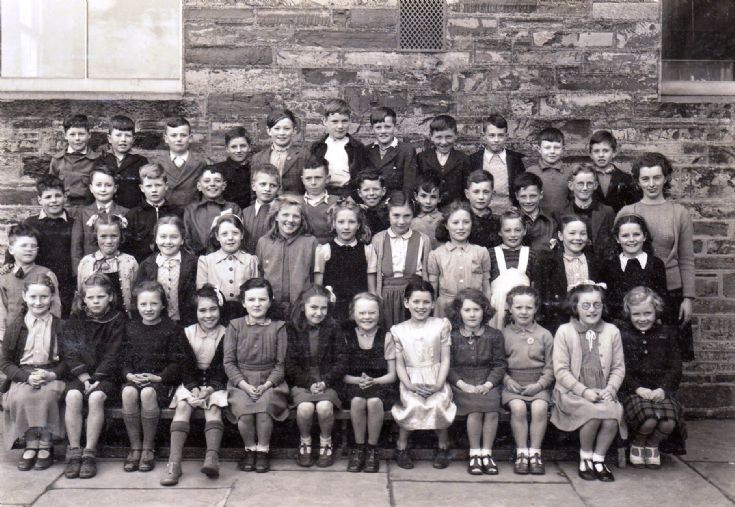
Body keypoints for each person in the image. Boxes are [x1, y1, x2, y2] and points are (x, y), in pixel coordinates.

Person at [617, 152, 695, 361]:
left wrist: (688, 298)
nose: (651, 184)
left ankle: (666, 394)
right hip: (635, 292)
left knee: (669, 354)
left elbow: (686, 259)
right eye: (645, 178)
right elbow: (617, 256)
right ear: (638, 181)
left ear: (665, 178)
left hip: (670, 292)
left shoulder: (679, 213)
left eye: (656, 177)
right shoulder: (627, 211)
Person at [551, 282, 626, 482]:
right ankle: (585, 457)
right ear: (575, 307)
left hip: (603, 390)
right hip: (572, 392)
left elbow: (618, 367)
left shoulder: (612, 331)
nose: (592, 310)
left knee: (612, 416)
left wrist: (611, 389)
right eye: (585, 305)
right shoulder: (564, 331)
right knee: (591, 415)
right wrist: (584, 391)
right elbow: (560, 370)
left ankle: (599, 458)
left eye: (597, 305)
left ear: (603, 306)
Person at [160, 285, 229, 486]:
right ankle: (174, 463)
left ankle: (212, 457)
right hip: (191, 381)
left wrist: (210, 388)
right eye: (203, 310)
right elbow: (184, 363)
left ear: (220, 310)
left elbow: (222, 365)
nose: (209, 315)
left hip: (216, 382)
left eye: (213, 309)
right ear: (195, 312)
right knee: (183, 406)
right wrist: (194, 387)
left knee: (214, 407)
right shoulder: (187, 332)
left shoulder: (227, 333)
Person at [60, 273, 125, 479]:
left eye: (101, 297)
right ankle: (74, 450)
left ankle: (89, 452)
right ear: (83, 299)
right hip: (81, 375)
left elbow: (114, 352)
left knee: (96, 397)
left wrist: (97, 378)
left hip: (106, 376)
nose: (96, 302)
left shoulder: (117, 319)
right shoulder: (75, 320)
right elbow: (70, 352)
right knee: (73, 396)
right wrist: (85, 378)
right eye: (91, 298)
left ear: (111, 297)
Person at [120, 281, 188, 474]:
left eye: (154, 304)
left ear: (163, 305)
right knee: (128, 393)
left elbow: (178, 361)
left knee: (148, 393)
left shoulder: (172, 328)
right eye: (143, 304)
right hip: (135, 379)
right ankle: (135, 447)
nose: (148, 309)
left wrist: (158, 378)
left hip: (161, 382)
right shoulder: (131, 328)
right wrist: (129, 375)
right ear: (137, 305)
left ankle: (149, 448)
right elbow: (123, 359)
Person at [1, 274, 66, 471]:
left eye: (44, 297)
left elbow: (69, 361)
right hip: (24, 374)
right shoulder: (16, 326)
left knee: (46, 396)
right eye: (33, 297)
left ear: (52, 298)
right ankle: (30, 444)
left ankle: (46, 444)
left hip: (52, 374)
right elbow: (5, 362)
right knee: (20, 396)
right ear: (24, 296)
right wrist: (26, 377)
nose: (38, 302)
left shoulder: (60, 326)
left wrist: (52, 375)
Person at [225, 278, 289, 474]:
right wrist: (243, 385)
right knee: (244, 411)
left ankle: (263, 450)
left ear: (270, 301)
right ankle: (250, 449)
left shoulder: (278, 327)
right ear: (243, 303)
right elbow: (229, 363)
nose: (257, 304)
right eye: (251, 299)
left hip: (271, 381)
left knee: (264, 409)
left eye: (262, 299)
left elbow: (280, 365)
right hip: (240, 381)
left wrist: (267, 385)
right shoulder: (235, 326)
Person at [390, 280, 456, 470]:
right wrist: (409, 385)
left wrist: (438, 384)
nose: (421, 306)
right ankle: (401, 447)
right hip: (411, 379)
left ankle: (443, 446)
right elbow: (399, 363)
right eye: (416, 302)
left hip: (436, 377)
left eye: (426, 302)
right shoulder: (398, 330)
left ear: (433, 303)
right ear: (406, 303)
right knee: (413, 404)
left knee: (437, 403)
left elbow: (445, 359)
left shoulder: (441, 325)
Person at [619, 287, 686, 468]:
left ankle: (652, 444)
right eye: (637, 314)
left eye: (647, 313)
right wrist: (637, 388)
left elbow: (675, 367)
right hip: (635, 391)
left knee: (668, 422)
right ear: (629, 314)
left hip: (660, 390)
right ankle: (638, 443)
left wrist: (663, 389)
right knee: (648, 420)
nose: (642, 319)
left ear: (656, 311)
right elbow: (621, 368)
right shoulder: (624, 336)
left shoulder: (667, 333)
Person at [286, 285, 347, 468]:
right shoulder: (293, 329)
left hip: (327, 381)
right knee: (304, 408)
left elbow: (341, 361)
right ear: (303, 306)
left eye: (323, 308)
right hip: (303, 381)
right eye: (313, 307)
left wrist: (325, 381)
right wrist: (309, 382)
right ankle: (305, 442)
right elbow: (290, 364)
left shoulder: (333, 328)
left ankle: (325, 442)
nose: (318, 313)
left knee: (324, 407)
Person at [448, 289, 507, 475]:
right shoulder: (453, 336)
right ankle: (475, 453)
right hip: (462, 384)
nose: (472, 314)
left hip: (487, 382)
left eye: (477, 309)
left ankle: (486, 454)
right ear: (459, 312)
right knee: (474, 410)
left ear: (485, 311)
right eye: (467, 310)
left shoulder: (494, 335)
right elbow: (448, 366)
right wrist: (462, 384)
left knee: (491, 409)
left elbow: (499, 365)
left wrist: (488, 384)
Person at [341, 292, 396, 473]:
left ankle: (372, 449)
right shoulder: (346, 336)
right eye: (362, 313)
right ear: (353, 313)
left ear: (379, 314)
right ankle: (358, 448)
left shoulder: (387, 336)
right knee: (357, 401)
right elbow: (341, 373)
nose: (367, 317)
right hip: (352, 384)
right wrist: (359, 380)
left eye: (372, 313)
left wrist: (374, 381)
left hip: (381, 385)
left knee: (373, 402)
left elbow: (392, 375)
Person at [501, 286, 554, 475]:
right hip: (512, 385)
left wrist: (540, 385)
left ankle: (535, 453)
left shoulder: (545, 335)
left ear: (536, 308)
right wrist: (507, 381)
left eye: (529, 308)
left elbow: (551, 366)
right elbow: (499, 365)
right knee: (518, 408)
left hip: (538, 384)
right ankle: (522, 452)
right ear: (510, 308)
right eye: (518, 307)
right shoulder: (504, 334)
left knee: (540, 408)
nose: (524, 312)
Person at [371, 191, 432, 330]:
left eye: (407, 216)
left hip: (413, 297)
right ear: (388, 214)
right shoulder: (378, 239)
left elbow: (426, 274)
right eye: (396, 215)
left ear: (413, 215)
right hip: (386, 296)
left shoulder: (423, 240)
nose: (401, 221)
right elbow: (374, 273)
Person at [15, 176, 76, 316]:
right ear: (39, 200)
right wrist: (8, 263)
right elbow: (17, 246)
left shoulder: (73, 224)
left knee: (61, 320)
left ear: (65, 197)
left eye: (58, 196)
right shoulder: (31, 223)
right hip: (37, 283)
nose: (53, 201)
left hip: (66, 284)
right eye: (48, 197)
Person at [533, 215, 600, 334]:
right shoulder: (548, 262)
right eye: (572, 233)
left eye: (583, 233)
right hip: (558, 325)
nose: (578, 238)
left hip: (591, 325)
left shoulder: (596, 262)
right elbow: (541, 299)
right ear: (560, 235)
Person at [313, 198, 377, 323]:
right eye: (341, 222)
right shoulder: (324, 250)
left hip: (360, 311)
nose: (346, 227)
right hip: (333, 311)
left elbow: (372, 290)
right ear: (333, 224)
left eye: (351, 222)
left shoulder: (367, 251)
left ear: (359, 225)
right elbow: (318, 288)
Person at [256, 195, 318, 318]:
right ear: (276, 216)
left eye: (296, 216)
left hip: (301, 308)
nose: (290, 220)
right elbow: (260, 274)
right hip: (271, 308)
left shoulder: (310, 242)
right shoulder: (264, 242)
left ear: (302, 219)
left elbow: (314, 275)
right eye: (285, 215)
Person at [428, 201, 492, 318]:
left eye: (466, 222)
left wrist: (487, 309)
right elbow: (433, 287)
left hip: (474, 308)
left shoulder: (481, 252)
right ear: (446, 225)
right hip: (445, 308)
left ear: (472, 224)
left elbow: (486, 286)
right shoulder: (436, 254)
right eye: (455, 223)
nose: (461, 227)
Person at [0, 225, 61, 342]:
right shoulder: (4, 277)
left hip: (41, 336)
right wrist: (3, 337)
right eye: (23, 245)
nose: (29, 249)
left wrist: (51, 334)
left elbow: (55, 307)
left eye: (33, 246)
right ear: (11, 249)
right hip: (11, 337)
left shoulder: (47, 274)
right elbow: (1, 310)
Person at [598, 214, 666, 319]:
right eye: (625, 236)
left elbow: (661, 300)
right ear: (617, 239)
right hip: (618, 325)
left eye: (636, 234)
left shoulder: (656, 264)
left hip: (647, 323)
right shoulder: (609, 265)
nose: (631, 239)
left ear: (644, 236)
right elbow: (607, 302)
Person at [196, 213, 259, 324]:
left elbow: (256, 290)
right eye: (224, 234)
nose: (230, 238)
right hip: (217, 316)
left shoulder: (251, 260)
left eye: (235, 233)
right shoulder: (206, 261)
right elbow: (201, 292)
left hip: (244, 315)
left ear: (242, 235)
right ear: (217, 237)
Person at [135, 216, 198, 326]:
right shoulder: (146, 265)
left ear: (182, 239)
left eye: (174, 237)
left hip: (187, 322)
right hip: (158, 323)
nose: (168, 241)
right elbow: (137, 295)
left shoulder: (193, 263)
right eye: (163, 237)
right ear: (156, 239)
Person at [76, 214, 138, 315]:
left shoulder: (130, 262)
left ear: (121, 236)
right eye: (103, 236)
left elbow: (135, 296)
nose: (109, 241)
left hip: (123, 319)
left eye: (114, 236)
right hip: (93, 321)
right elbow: (81, 294)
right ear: (95, 236)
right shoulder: (86, 262)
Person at [70, 165, 129, 269]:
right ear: (91, 188)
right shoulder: (83, 213)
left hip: (118, 267)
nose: (103, 189)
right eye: (98, 185)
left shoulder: (124, 212)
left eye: (108, 185)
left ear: (115, 188)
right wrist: (79, 271)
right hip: (90, 268)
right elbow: (76, 246)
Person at [123, 163, 183, 262]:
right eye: (149, 186)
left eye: (158, 185)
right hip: (142, 264)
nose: (154, 190)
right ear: (142, 188)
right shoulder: (133, 215)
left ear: (166, 186)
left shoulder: (177, 212)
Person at [554, 165, 615, 258]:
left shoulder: (607, 211)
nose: (585, 188)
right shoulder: (560, 213)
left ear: (595, 186)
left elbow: (612, 243)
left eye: (589, 183)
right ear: (571, 186)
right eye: (580, 183)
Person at [469, 113, 526, 213]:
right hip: (481, 213)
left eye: (500, 135)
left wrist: (518, 207)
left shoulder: (515, 159)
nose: (496, 140)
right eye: (491, 135)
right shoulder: (473, 160)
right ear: (484, 136)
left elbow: (521, 187)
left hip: (509, 213)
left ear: (506, 136)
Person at [310, 99, 367, 197]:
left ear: (350, 120)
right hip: (324, 193)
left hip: (349, 193)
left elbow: (362, 176)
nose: (340, 126)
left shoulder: (357, 147)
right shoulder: (317, 147)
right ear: (324, 121)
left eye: (344, 121)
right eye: (335, 121)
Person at [489, 208, 535, 329]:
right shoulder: (491, 253)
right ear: (500, 232)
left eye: (517, 230)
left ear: (524, 231)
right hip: (496, 309)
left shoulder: (531, 254)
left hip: (523, 309)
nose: (513, 235)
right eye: (507, 231)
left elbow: (534, 285)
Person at [435, 170, 501, 249]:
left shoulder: (499, 222)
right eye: (476, 192)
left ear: (493, 194)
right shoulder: (457, 219)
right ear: (467, 194)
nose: (481, 197)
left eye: (486, 192)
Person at [183, 166, 241, 256]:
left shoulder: (233, 208)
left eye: (217, 181)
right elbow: (187, 239)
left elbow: (239, 236)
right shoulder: (191, 210)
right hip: (198, 260)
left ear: (224, 186)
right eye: (207, 181)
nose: (212, 184)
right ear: (199, 186)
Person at [155, 117, 210, 208]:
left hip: (192, 212)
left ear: (190, 138)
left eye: (183, 135)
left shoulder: (200, 163)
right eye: (174, 135)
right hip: (166, 213)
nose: (179, 139)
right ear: (166, 139)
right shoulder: (157, 163)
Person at [48, 114, 102, 207]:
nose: (77, 138)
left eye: (81, 134)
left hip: (88, 208)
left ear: (89, 135)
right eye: (72, 134)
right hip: (62, 207)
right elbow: (50, 188)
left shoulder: (97, 160)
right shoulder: (57, 160)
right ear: (65, 136)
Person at [417, 114, 470, 207]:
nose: (444, 142)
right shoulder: (421, 158)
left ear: (456, 136)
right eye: (439, 137)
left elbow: (467, 188)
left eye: (448, 137)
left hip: (455, 211)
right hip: (429, 209)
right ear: (431, 137)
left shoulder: (463, 159)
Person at [251, 109, 308, 195]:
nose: (281, 133)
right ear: (269, 131)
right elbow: (254, 192)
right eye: (277, 128)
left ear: (294, 130)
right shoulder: (258, 158)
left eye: (286, 128)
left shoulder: (303, 155)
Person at [365, 106, 418, 193]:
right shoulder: (366, 150)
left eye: (387, 127)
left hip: (396, 203)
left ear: (395, 127)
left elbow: (409, 186)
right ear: (372, 129)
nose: (383, 131)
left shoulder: (406, 150)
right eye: (378, 127)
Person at [100, 115, 149, 209]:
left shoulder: (141, 162)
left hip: (133, 213)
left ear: (133, 139)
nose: (123, 139)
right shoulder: (101, 161)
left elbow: (147, 190)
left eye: (128, 135)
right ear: (109, 138)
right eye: (118, 135)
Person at [588, 130, 639, 213]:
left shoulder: (626, 179)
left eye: (605, 151)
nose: (601, 155)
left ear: (614, 153)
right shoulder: (585, 177)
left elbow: (633, 206)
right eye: (596, 151)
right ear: (590, 154)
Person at [526, 127, 570, 217]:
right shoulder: (531, 172)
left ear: (563, 149)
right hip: (539, 221)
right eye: (547, 147)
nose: (552, 151)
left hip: (564, 221)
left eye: (557, 147)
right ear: (539, 149)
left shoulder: (569, 172)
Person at [513, 172, 556, 253]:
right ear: (516, 196)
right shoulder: (511, 220)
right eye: (523, 196)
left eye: (533, 196)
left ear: (541, 195)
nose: (528, 201)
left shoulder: (551, 222)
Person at [299, 155, 339, 244]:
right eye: (308, 178)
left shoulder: (337, 202)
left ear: (327, 179)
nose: (313, 183)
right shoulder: (296, 203)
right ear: (302, 180)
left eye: (318, 178)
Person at [241, 164, 280, 254]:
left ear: (278, 188)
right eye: (263, 184)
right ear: (253, 186)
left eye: (273, 185)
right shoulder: (245, 212)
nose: (267, 189)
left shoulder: (281, 211)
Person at [211, 126, 253, 209]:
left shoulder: (254, 169)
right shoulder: (218, 170)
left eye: (243, 146)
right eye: (234, 147)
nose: (238, 150)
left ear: (249, 147)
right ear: (227, 149)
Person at [410, 171, 443, 250]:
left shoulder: (443, 219)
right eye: (423, 196)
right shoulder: (410, 218)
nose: (428, 201)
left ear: (440, 198)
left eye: (433, 197)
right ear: (416, 196)